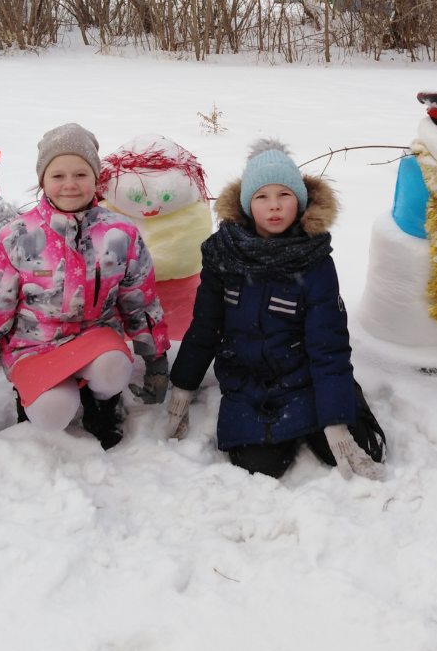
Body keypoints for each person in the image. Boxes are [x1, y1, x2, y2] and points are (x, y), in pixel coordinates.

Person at [0, 123, 170, 449]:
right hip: (33, 348)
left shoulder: (120, 233)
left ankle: (103, 404)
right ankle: (40, 398)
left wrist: (156, 361)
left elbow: (140, 302)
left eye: (81, 174)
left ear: (95, 178)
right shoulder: (16, 237)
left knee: (113, 367)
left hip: (97, 342)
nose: (70, 185)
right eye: (58, 175)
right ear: (43, 180)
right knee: (52, 413)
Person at [165, 139, 386, 480]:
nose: (274, 206)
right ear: (246, 204)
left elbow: (328, 345)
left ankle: (340, 401)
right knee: (260, 466)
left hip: (302, 377)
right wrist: (183, 384)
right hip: (247, 382)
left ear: (299, 200)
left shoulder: (315, 262)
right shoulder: (224, 254)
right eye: (262, 197)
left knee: (365, 449)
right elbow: (205, 327)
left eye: (284, 195)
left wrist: (337, 420)